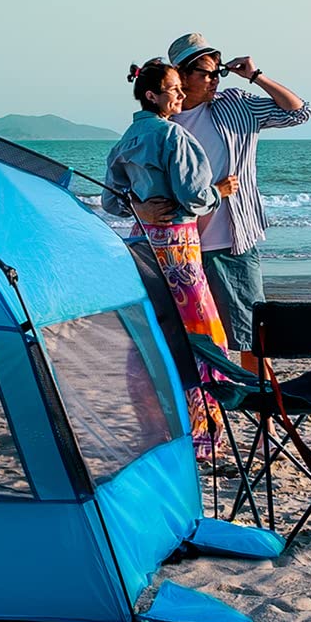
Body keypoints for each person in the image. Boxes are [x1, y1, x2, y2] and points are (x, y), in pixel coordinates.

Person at [134, 34, 311, 374]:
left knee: (252, 338)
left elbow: (299, 113)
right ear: (181, 75)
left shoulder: (236, 104)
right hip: (175, 249)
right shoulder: (158, 123)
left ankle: (264, 419)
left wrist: (256, 76)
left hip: (230, 243)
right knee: (186, 342)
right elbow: (129, 185)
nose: (216, 79)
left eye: (219, 72)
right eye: (207, 73)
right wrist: (141, 209)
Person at [102, 59, 237, 457]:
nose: (181, 95)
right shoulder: (173, 137)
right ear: (151, 95)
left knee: (149, 338)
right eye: (174, 89)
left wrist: (139, 209)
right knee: (203, 338)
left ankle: (155, 430)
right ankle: (201, 435)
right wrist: (218, 192)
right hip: (178, 248)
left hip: (141, 245)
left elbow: (112, 201)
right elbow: (194, 196)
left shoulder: (126, 139)